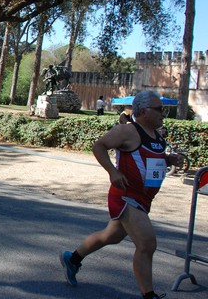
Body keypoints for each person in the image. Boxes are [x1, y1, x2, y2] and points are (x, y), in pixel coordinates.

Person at [59, 91, 183, 299]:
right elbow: (99, 146)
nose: (164, 113)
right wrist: (113, 172)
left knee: (112, 236)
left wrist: (169, 159)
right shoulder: (128, 131)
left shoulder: (156, 135)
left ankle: (72, 259)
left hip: (144, 199)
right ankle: (148, 295)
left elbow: (151, 159)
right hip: (126, 196)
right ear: (143, 111)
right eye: (159, 109)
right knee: (146, 243)